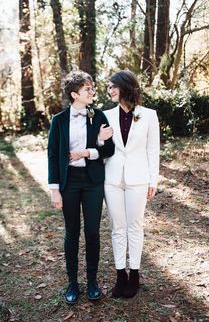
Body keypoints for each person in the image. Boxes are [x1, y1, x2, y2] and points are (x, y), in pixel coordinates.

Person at [48, 70, 114, 305]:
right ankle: (73, 283)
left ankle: (93, 282)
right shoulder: (58, 120)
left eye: (92, 88)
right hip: (69, 182)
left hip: (93, 181)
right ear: (75, 94)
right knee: (72, 233)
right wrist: (55, 189)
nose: (92, 92)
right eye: (88, 89)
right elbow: (53, 155)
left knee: (93, 232)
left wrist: (89, 150)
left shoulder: (99, 116)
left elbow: (108, 150)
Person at [102, 69, 160, 298]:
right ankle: (120, 276)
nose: (110, 91)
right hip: (112, 179)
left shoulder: (149, 115)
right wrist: (99, 139)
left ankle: (134, 274)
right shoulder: (105, 115)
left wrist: (153, 179)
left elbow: (153, 150)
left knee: (135, 226)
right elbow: (103, 148)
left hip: (138, 179)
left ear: (125, 87)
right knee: (118, 228)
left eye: (112, 86)